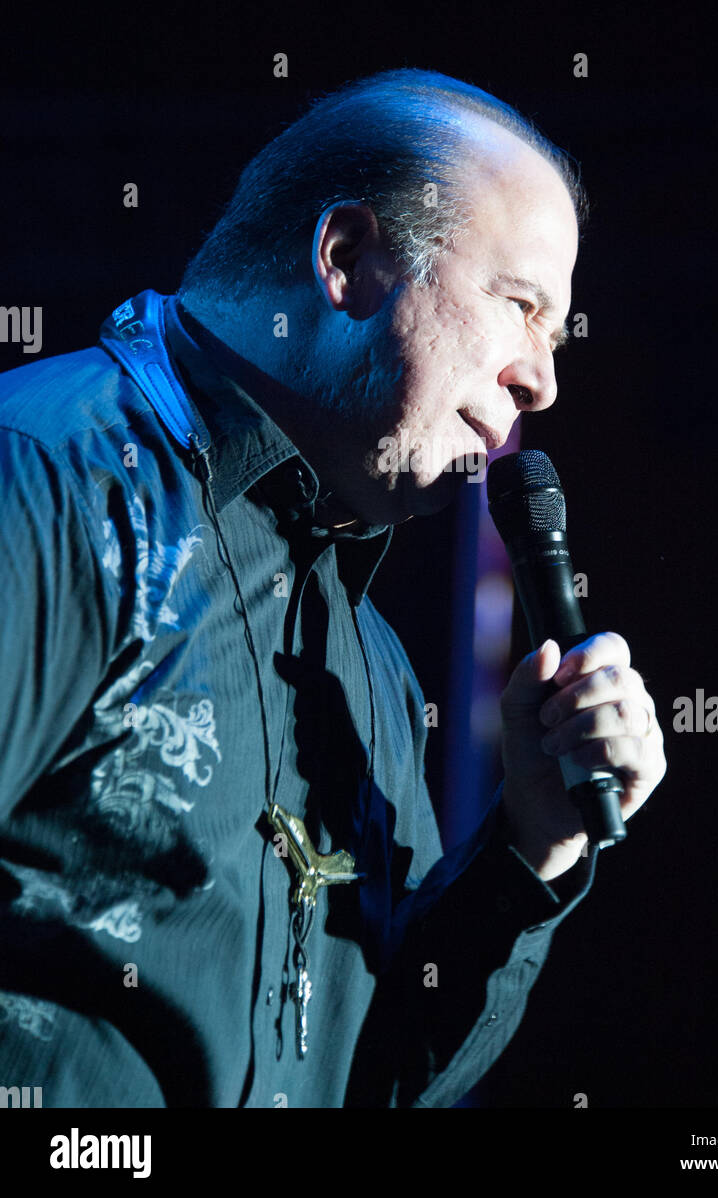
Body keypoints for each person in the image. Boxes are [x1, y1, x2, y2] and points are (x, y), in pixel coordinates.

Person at [0, 69, 665, 1108]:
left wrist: (533, 844)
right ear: (347, 261)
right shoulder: (47, 482)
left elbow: (374, 1080)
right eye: (520, 306)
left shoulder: (371, 665)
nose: (543, 379)